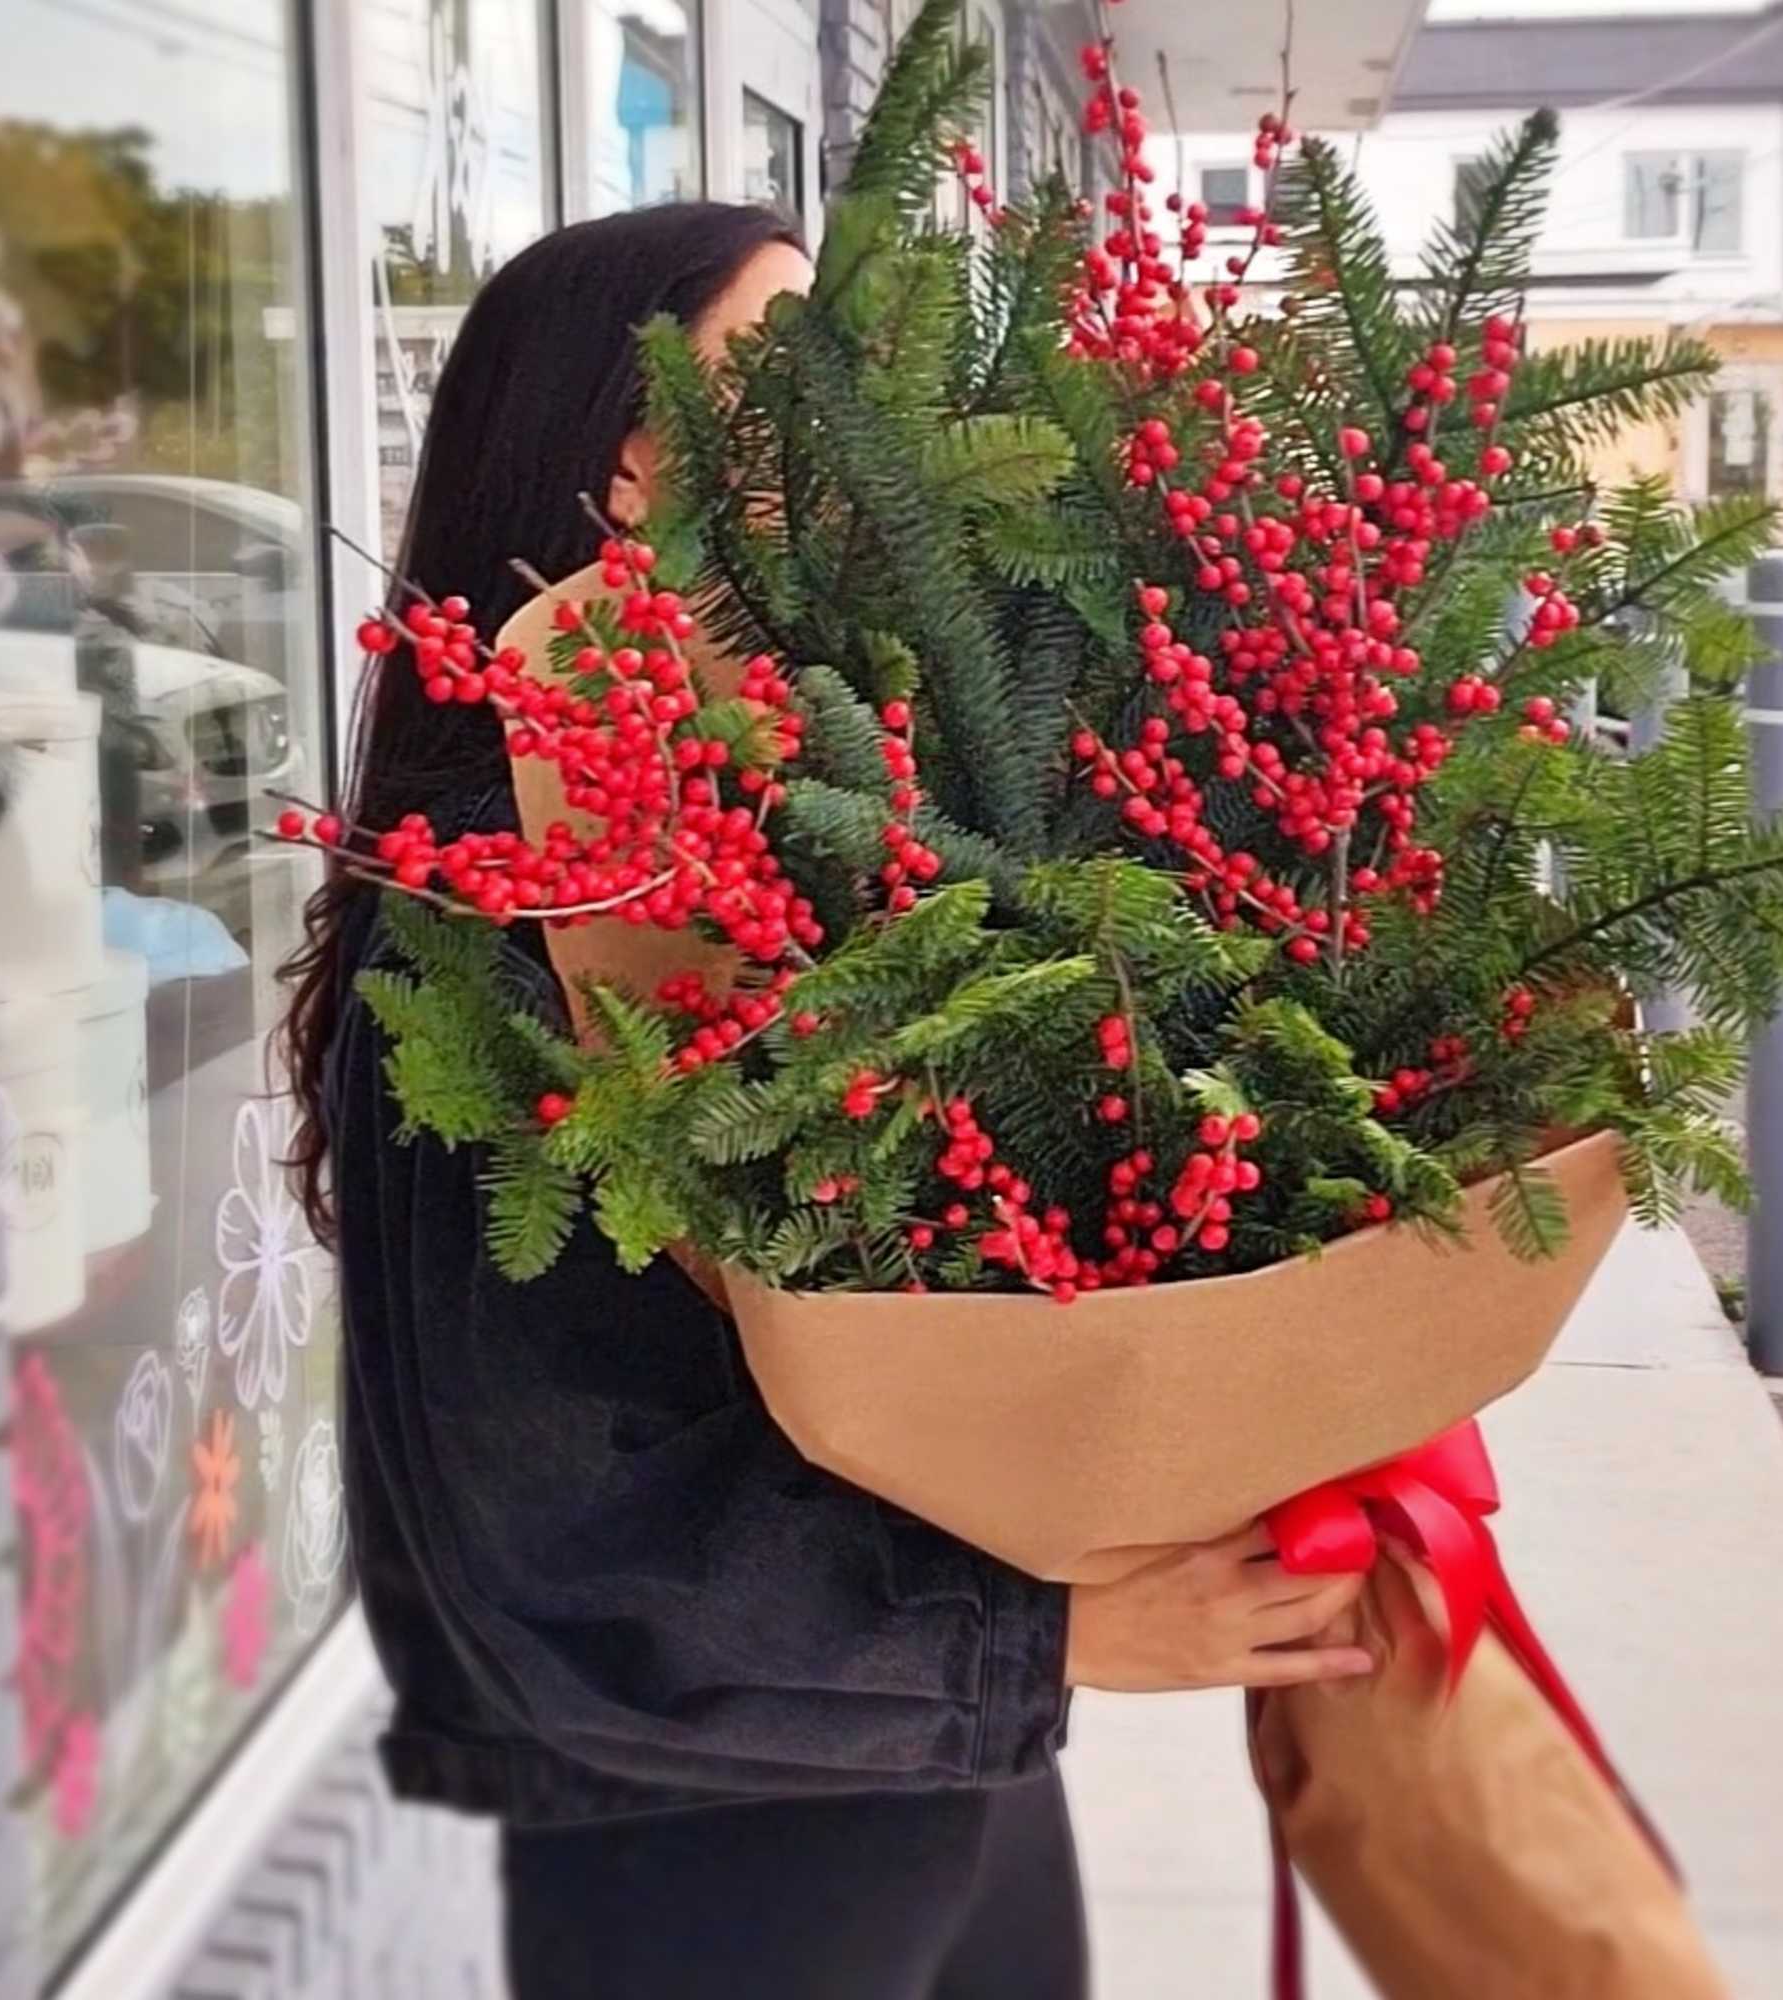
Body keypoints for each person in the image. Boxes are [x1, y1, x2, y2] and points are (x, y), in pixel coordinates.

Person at [280, 203, 1371, 2000]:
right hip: (699, 1833)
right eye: (804, 369)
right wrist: (1053, 1632)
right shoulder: (507, 895)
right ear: (639, 461)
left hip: (926, 1766)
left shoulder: (790, 806)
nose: (876, 421)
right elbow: (544, 1509)